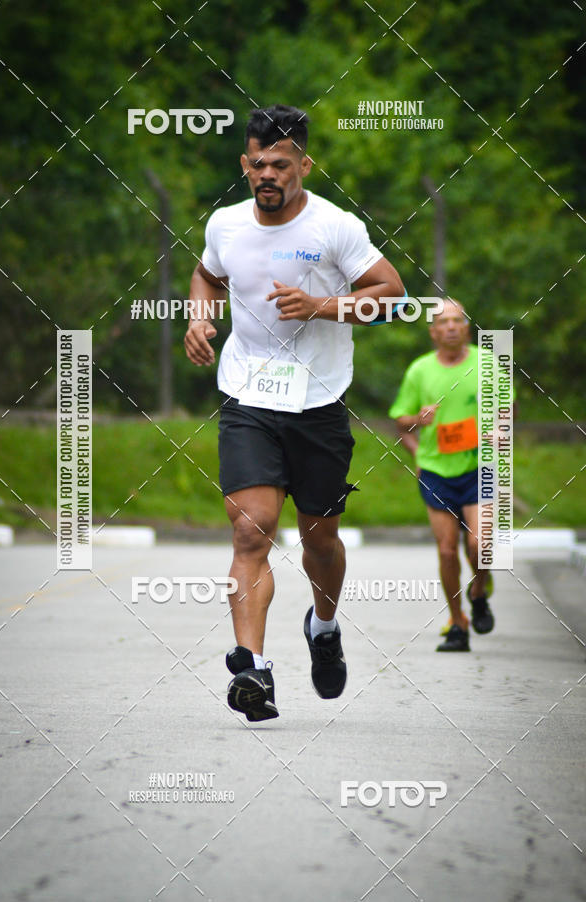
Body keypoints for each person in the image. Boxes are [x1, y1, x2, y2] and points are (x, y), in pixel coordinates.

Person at [184, 104, 404, 720]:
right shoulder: (226, 224)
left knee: (320, 539)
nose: (267, 174)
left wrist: (322, 306)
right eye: (257, 163)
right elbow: (207, 275)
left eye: (280, 163)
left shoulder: (335, 227)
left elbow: (391, 296)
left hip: (318, 401)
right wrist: (200, 317)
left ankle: (324, 625)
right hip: (248, 396)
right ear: (244, 165)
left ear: (303, 165)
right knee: (250, 527)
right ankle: (251, 667)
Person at [389, 300, 496, 652]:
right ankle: (458, 623)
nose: (451, 326)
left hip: (479, 467)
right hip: (436, 470)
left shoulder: (488, 363)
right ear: (433, 332)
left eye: (457, 320)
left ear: (466, 327)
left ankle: (478, 591)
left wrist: (498, 431)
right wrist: (418, 432)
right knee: (448, 551)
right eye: (443, 322)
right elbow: (400, 423)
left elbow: (506, 411)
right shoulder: (419, 370)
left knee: (480, 545)